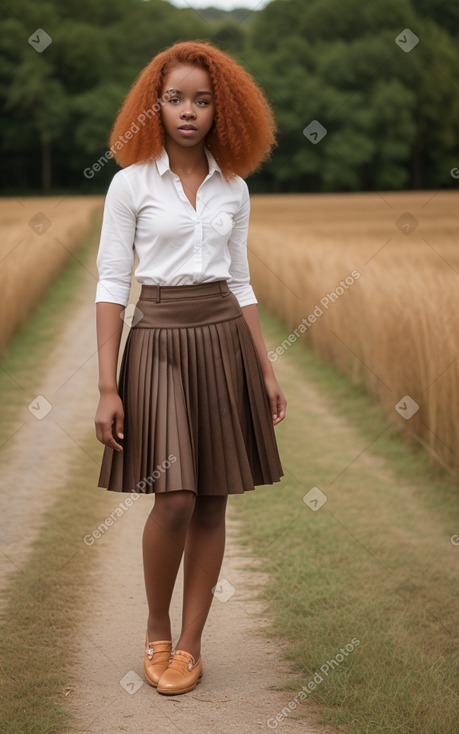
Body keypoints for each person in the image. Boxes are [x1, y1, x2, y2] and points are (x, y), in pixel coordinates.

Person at [94, 40, 286, 696]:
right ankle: (155, 623)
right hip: (157, 341)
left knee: (212, 498)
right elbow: (112, 283)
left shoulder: (234, 187)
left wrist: (263, 369)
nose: (187, 110)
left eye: (201, 100)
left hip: (223, 339)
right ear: (154, 104)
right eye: (174, 98)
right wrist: (105, 386)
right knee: (172, 496)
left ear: (220, 110)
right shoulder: (130, 184)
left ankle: (190, 643)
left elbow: (241, 281)